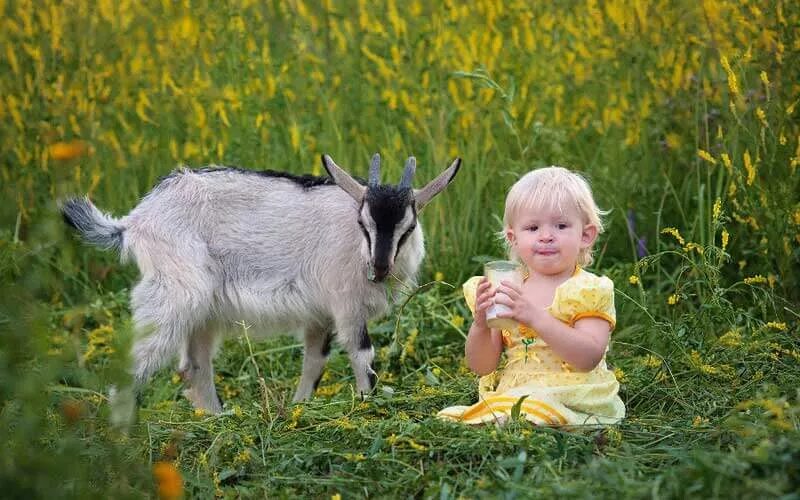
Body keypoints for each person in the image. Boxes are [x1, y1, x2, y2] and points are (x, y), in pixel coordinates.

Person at [437, 166, 625, 426]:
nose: (546, 236)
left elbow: (588, 357)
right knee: (456, 417)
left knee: (530, 408)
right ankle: (515, 418)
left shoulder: (587, 291)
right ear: (514, 239)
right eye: (533, 227)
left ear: (585, 235)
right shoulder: (506, 289)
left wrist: (535, 317)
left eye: (560, 225)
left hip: (573, 393)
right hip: (517, 391)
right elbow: (482, 366)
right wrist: (481, 324)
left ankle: (526, 419)